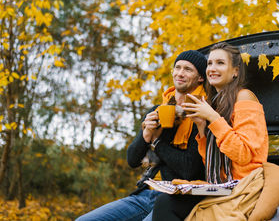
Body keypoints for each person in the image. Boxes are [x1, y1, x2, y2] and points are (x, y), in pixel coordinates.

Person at [76, 50, 207, 221]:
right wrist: (146, 135)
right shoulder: (157, 111)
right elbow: (132, 160)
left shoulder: (200, 113)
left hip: (176, 199)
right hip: (146, 194)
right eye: (178, 67)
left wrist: (156, 142)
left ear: (200, 78)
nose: (180, 73)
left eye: (188, 69)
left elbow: (189, 169)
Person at [152, 42, 269, 220]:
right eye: (210, 63)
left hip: (243, 187)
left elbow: (244, 155)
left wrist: (213, 119)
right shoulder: (215, 102)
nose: (212, 68)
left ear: (235, 71)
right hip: (219, 185)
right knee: (166, 202)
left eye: (220, 63)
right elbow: (211, 161)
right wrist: (201, 126)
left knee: (166, 205)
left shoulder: (245, 97)